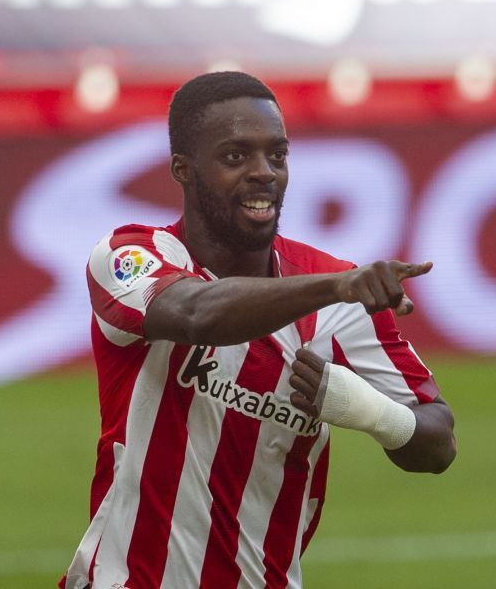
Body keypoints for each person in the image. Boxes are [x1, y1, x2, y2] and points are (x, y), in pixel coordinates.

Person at [60, 71, 456, 589]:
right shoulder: (129, 256)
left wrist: (370, 411)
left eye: (277, 155)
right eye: (235, 156)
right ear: (183, 169)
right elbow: (196, 313)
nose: (264, 172)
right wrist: (335, 288)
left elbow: (438, 444)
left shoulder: (338, 296)